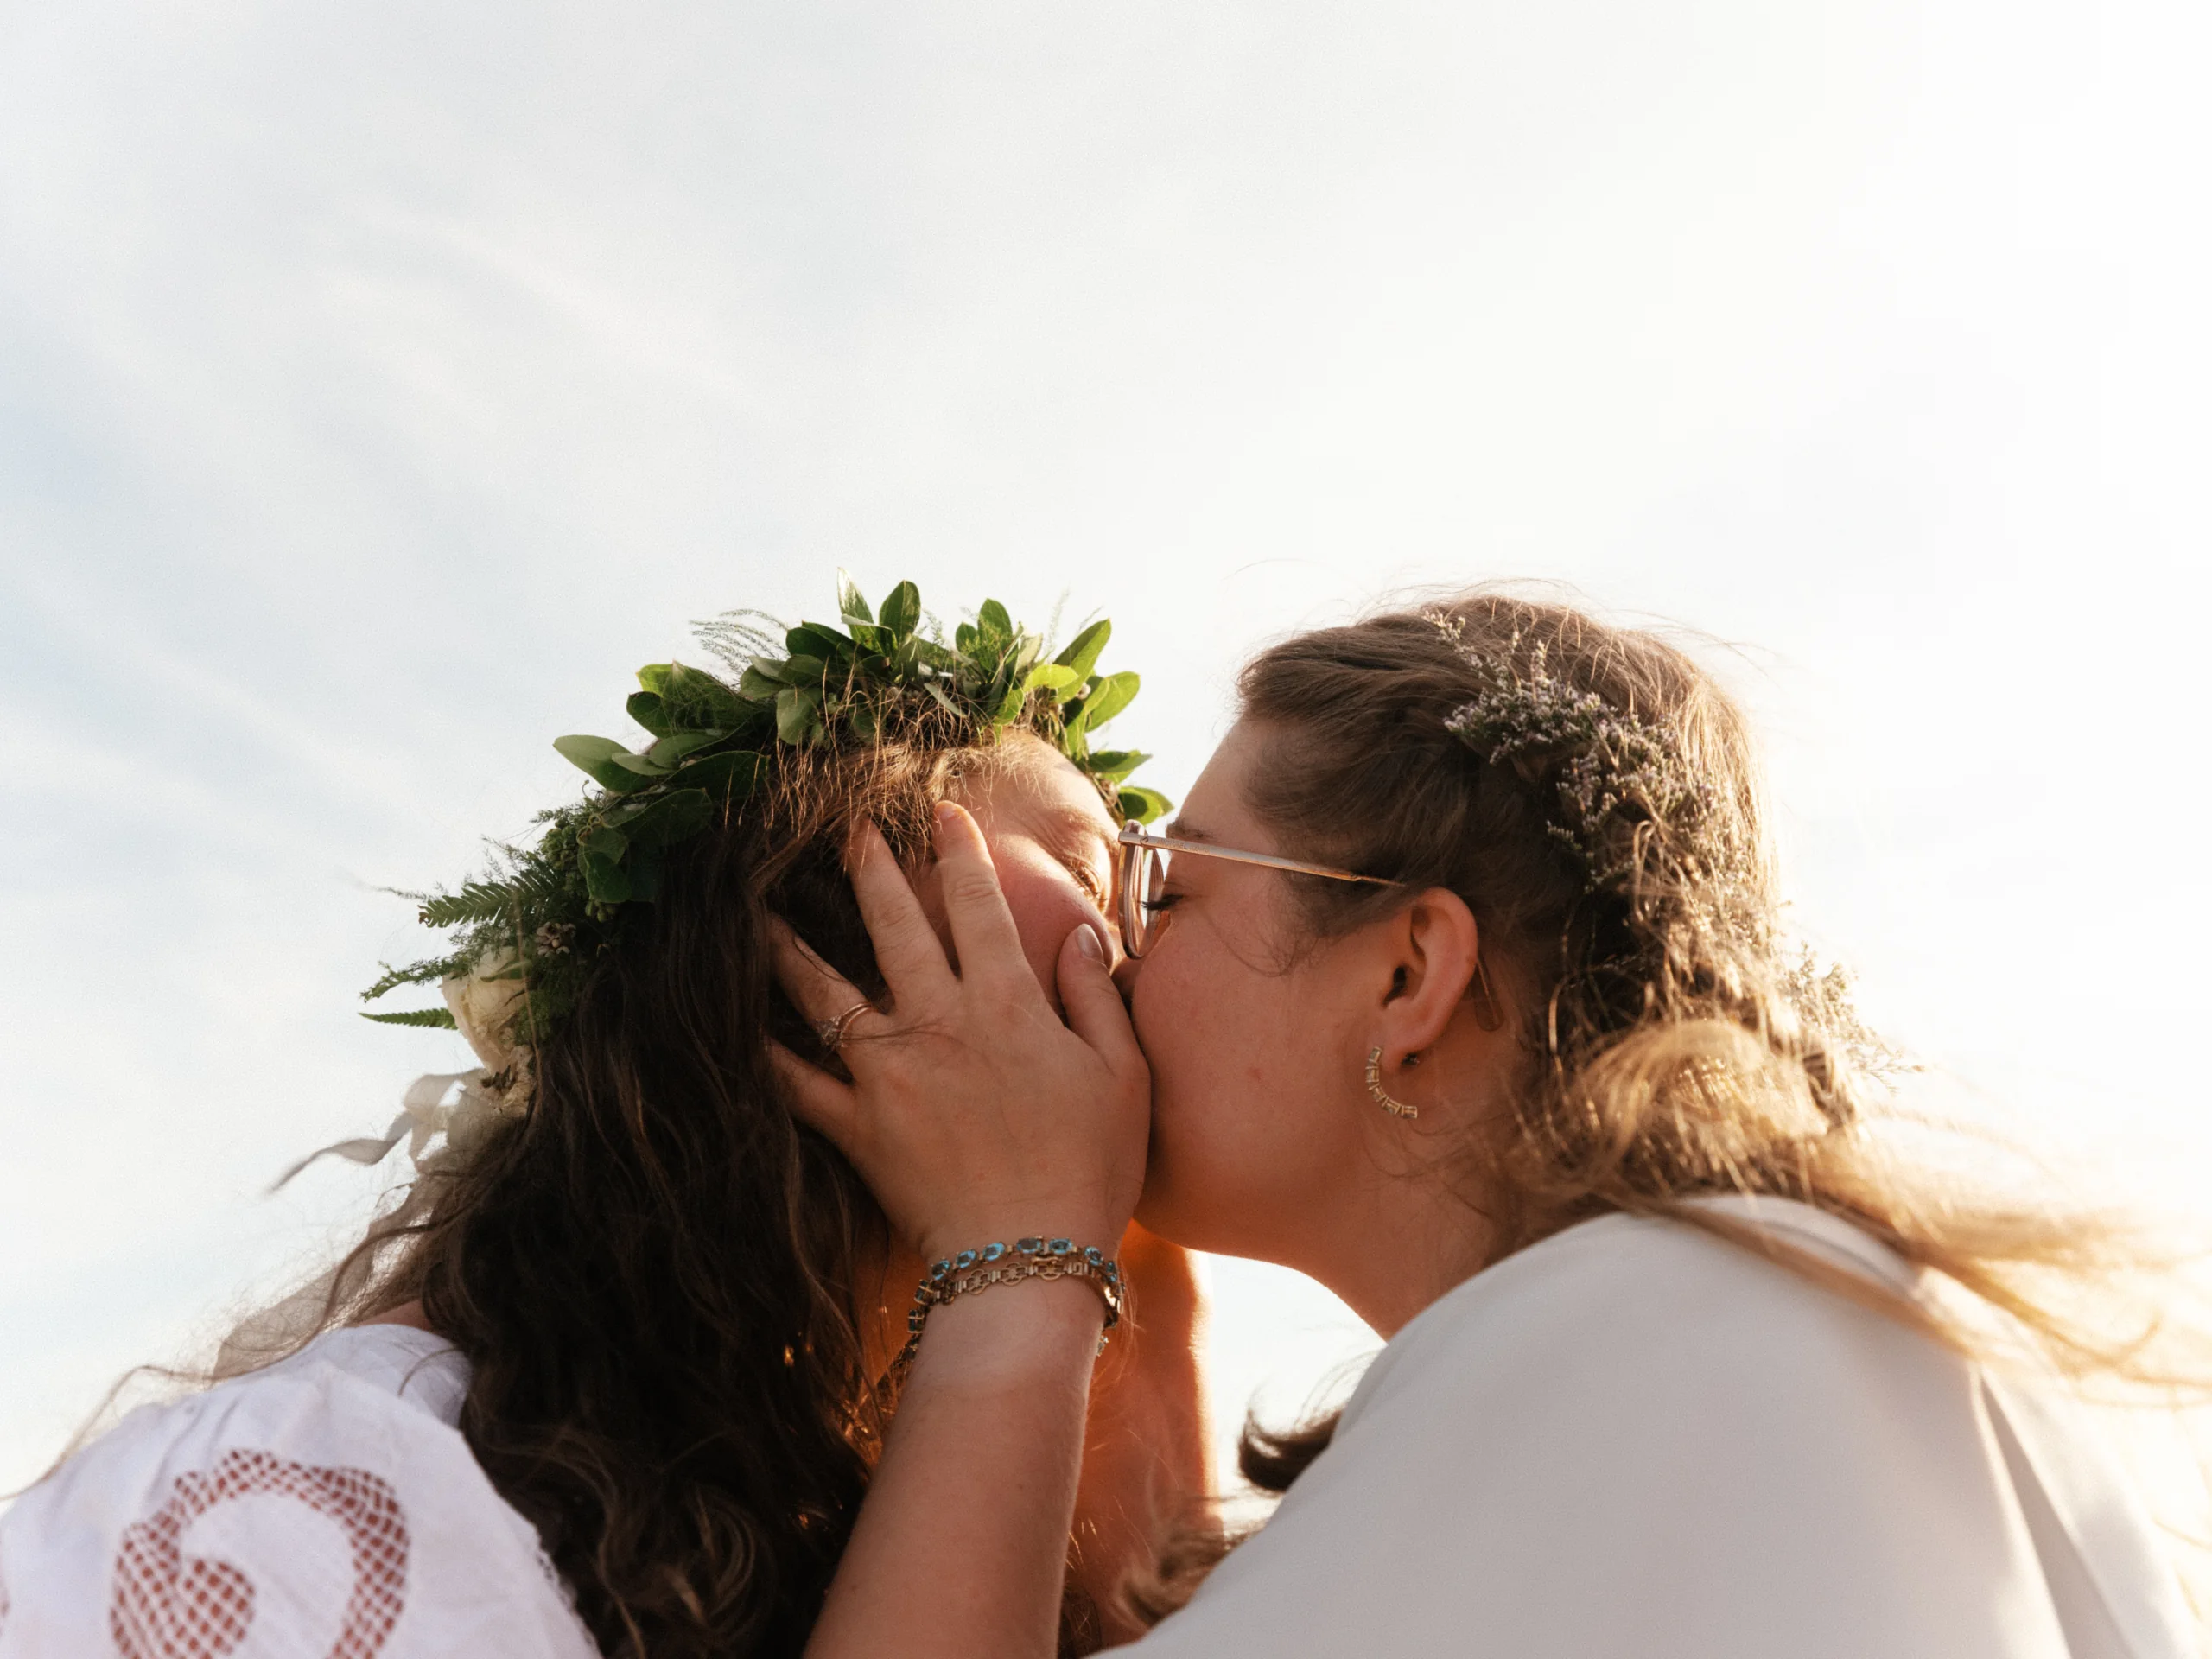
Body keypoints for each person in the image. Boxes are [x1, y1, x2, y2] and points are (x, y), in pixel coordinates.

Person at [776, 588, 2205, 1657]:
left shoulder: (1630, 1350)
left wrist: (1019, 1266)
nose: (1118, 952)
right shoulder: (1754, 1315)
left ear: (1409, 974)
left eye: (1172, 886)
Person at [0, 578, 1208, 1658]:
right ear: (830, 944)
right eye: (1105, 874)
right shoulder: (320, 1498)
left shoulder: (782, 1499)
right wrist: (1031, 1261)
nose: (1155, 952)